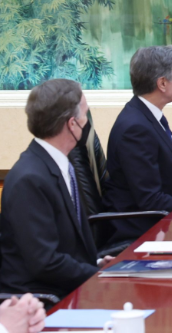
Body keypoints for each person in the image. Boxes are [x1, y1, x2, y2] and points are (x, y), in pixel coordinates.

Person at [0, 79, 108, 299]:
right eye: (85, 115)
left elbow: (67, 247)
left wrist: (98, 264)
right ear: (72, 124)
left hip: (68, 285)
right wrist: (100, 275)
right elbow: (45, 262)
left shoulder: (60, 165)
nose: (87, 122)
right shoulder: (29, 180)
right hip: (40, 300)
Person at [103, 45, 172, 244]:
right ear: (162, 83)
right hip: (141, 231)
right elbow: (150, 200)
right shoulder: (135, 129)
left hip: (162, 221)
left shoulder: (147, 116)